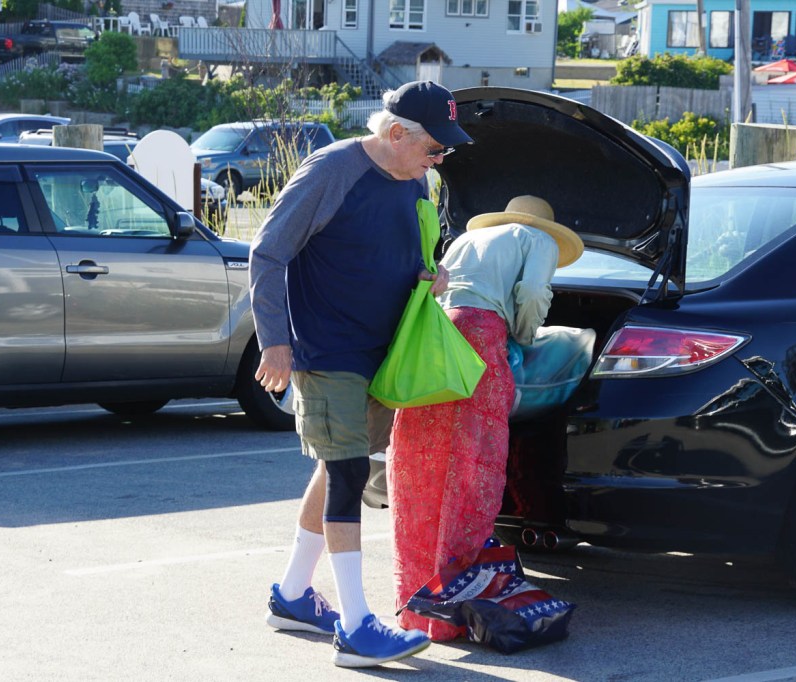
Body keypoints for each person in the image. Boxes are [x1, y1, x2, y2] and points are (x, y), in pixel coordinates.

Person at [248, 80, 471, 668]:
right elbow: (267, 253)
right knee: (348, 473)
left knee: (337, 468)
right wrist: (275, 342)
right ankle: (355, 627)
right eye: (434, 148)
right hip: (328, 353)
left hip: (385, 354)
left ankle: (292, 595)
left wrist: (431, 275)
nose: (439, 159)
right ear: (396, 133)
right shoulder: (332, 171)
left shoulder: (416, 178)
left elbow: (412, 252)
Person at [386, 195, 584, 641]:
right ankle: (455, 610)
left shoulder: (467, 239)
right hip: (480, 341)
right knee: (472, 470)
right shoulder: (538, 239)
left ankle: (417, 611)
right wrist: (526, 335)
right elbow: (532, 294)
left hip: (435, 342)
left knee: (423, 471)